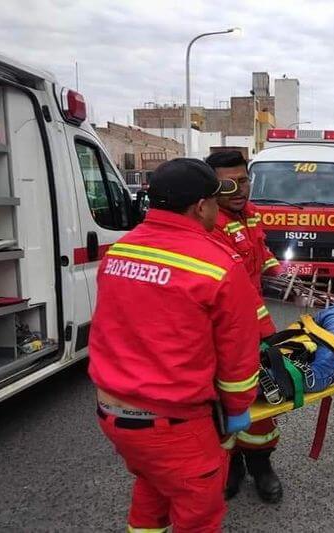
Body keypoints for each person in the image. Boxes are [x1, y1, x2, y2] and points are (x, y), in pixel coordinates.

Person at [88, 158, 262, 531]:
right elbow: (238, 355)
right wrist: (237, 409)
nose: (218, 208)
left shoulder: (120, 252)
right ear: (201, 206)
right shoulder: (217, 265)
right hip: (175, 423)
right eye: (215, 201)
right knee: (197, 512)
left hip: (113, 413)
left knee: (153, 488)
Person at [205, 150, 283, 504]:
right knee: (222, 405)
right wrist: (266, 332)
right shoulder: (209, 224)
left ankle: (261, 464)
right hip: (221, 333)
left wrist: (289, 279)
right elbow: (233, 287)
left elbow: (261, 258)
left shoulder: (251, 215)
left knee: (261, 402)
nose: (239, 189)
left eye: (244, 179)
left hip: (252, 328)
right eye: (228, 183)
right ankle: (231, 464)